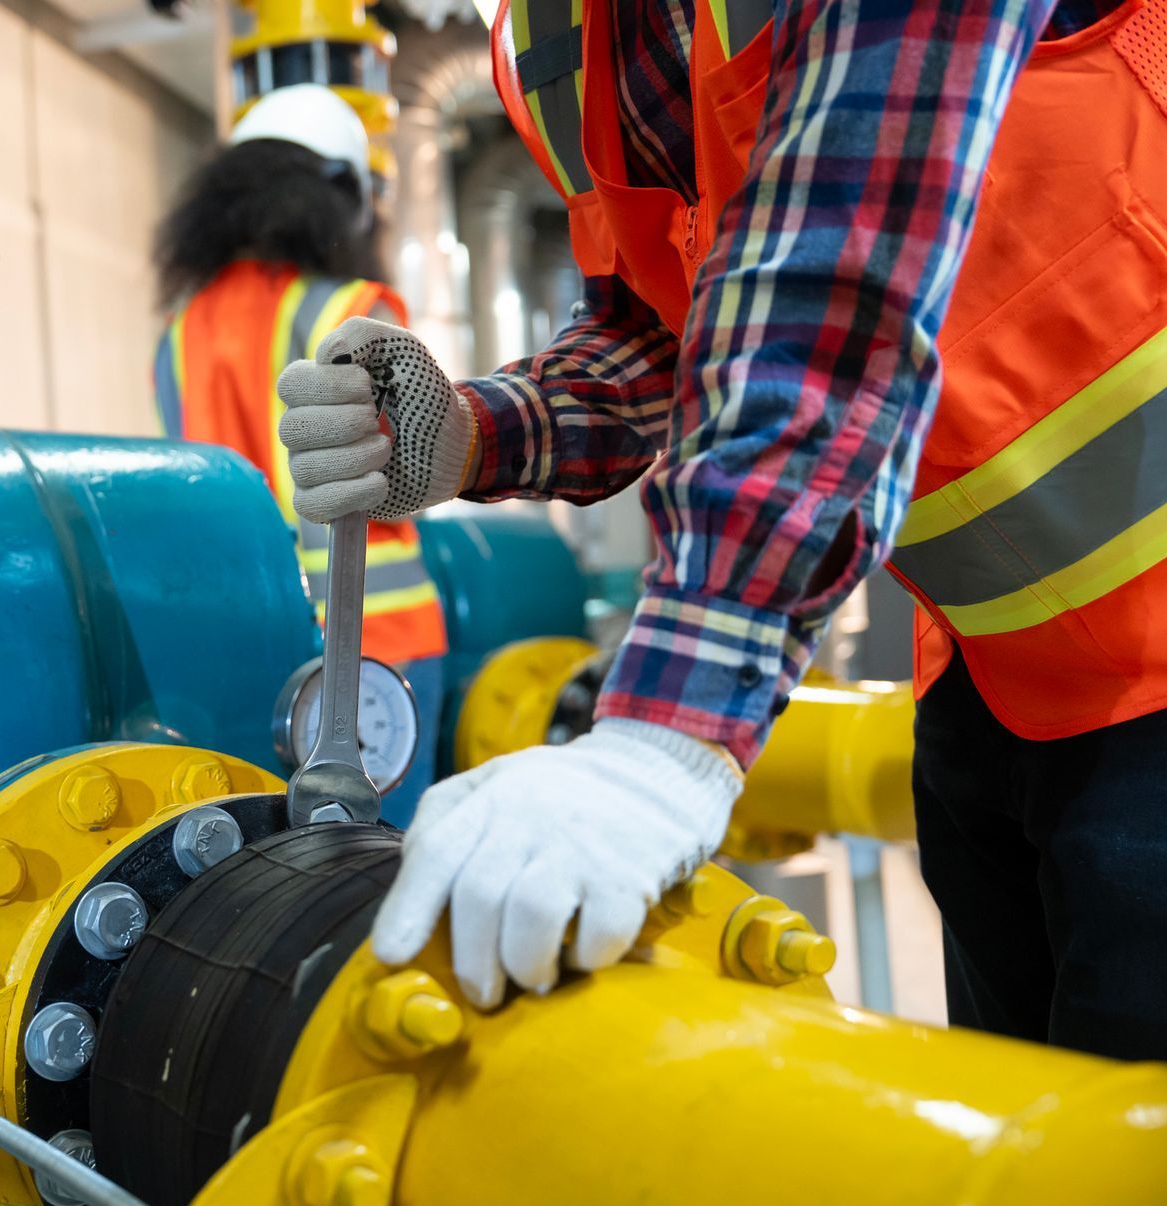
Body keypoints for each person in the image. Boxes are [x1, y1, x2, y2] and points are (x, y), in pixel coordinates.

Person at [278, 0, 1167, 1060]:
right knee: (1043, 1162)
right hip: (993, 673)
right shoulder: (551, 46)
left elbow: (834, 280)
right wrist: (467, 432)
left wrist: (667, 735)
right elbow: (658, 326)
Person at [154, 84, 450, 827]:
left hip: (249, 647)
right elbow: (425, 466)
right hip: (379, 648)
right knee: (380, 884)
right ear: (342, 196)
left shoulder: (180, 332)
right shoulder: (351, 309)